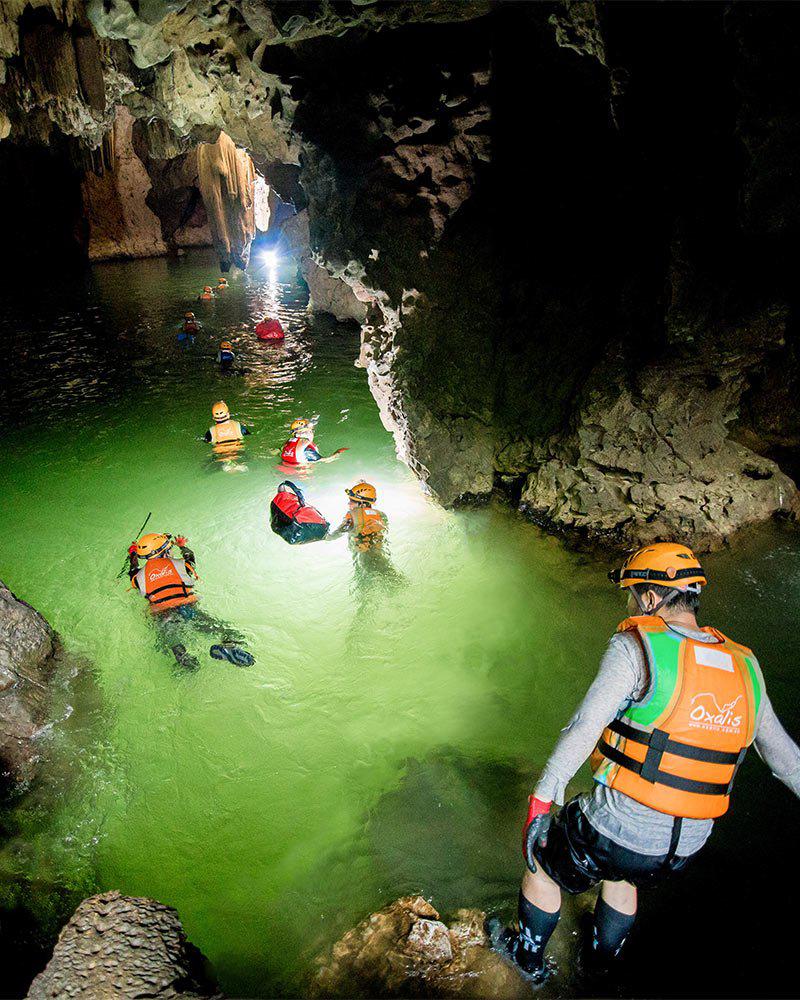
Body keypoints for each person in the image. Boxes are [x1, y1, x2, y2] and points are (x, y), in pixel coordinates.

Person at [497, 542, 800, 982]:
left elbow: (583, 727)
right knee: (624, 875)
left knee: (542, 862)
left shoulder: (635, 647)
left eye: (633, 593)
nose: (631, 603)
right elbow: (786, 760)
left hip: (622, 829)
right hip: (686, 846)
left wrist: (541, 801)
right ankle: (599, 967)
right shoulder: (746, 664)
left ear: (652, 598)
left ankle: (527, 964)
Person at [127, 531, 254, 668]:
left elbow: (133, 569)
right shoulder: (182, 564)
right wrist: (182, 546)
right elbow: (190, 556)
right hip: (186, 609)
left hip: (162, 615)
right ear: (164, 552)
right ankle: (229, 645)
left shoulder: (138, 577)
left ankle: (183, 659)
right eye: (169, 549)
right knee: (227, 631)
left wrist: (133, 553)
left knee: (172, 642)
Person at [328, 482, 388, 554]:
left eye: (352, 501)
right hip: (380, 552)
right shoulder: (381, 515)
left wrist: (329, 537)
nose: (349, 503)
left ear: (363, 504)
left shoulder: (352, 514)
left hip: (362, 552)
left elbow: (342, 530)